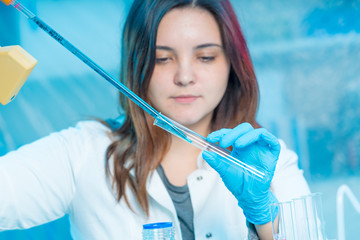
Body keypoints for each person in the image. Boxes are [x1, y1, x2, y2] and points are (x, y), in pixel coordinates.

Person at [0, 0, 311, 239]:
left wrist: (262, 215)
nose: (185, 76)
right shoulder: (82, 153)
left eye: (205, 57)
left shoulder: (268, 163)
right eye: (162, 58)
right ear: (137, 64)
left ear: (232, 64)